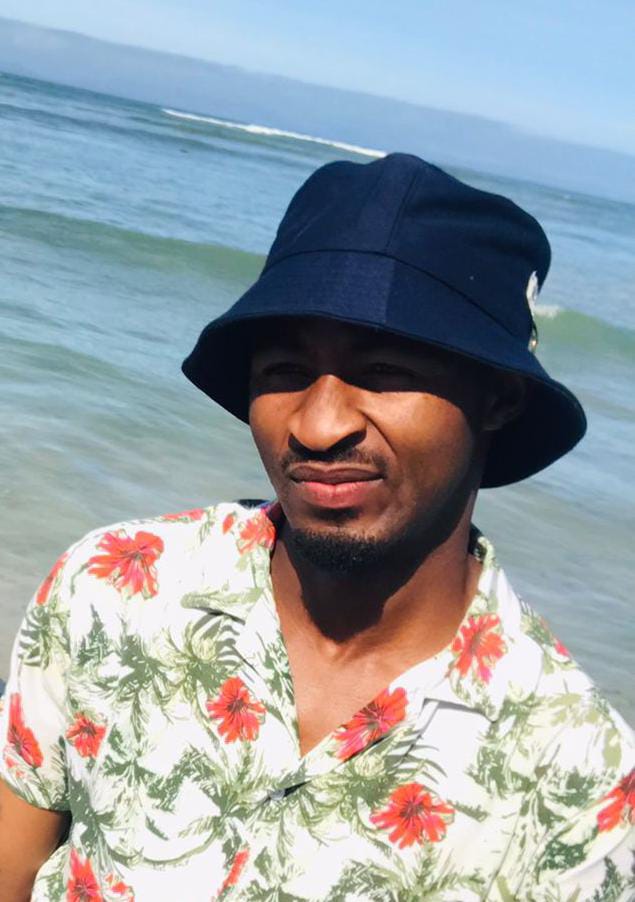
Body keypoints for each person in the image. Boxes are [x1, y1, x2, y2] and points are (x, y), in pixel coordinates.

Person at [0, 153, 633, 902]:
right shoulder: (113, 587)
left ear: (498, 400)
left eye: (386, 370)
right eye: (284, 371)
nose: (318, 424)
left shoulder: (579, 787)